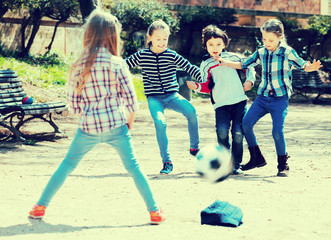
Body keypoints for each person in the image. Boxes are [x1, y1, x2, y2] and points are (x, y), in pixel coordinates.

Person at [28, 10, 165, 225]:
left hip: (88, 128)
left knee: (67, 164)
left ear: (88, 34)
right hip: (117, 126)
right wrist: (128, 124)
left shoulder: (78, 66)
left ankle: (40, 206)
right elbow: (131, 101)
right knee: (134, 167)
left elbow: (73, 104)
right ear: (113, 35)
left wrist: (87, 117)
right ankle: (154, 211)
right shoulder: (118, 63)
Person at [219, 19, 323, 177]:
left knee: (277, 132)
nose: (267, 43)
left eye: (271, 40)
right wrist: (226, 62)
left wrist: (311, 67)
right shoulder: (261, 52)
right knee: (246, 124)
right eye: (264, 39)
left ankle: (283, 165)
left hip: (279, 99)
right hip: (262, 97)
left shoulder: (287, 52)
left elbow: (303, 65)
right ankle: (256, 158)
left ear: (280, 37)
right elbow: (245, 64)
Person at [125, 20, 202, 174]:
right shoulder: (142, 55)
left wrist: (205, 78)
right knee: (161, 123)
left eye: (165, 38)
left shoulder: (172, 55)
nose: (162, 42)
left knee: (192, 112)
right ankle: (167, 162)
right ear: (150, 38)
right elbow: (122, 66)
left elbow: (190, 67)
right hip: (154, 99)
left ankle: (195, 148)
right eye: (158, 39)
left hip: (172, 96)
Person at [186, 25, 256, 175]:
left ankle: (236, 164)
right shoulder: (206, 64)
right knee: (222, 131)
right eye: (211, 45)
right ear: (205, 46)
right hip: (221, 105)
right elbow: (207, 86)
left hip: (239, 101)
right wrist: (196, 87)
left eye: (218, 44)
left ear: (224, 44)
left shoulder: (234, 58)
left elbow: (250, 67)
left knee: (238, 133)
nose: (215, 47)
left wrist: (249, 81)